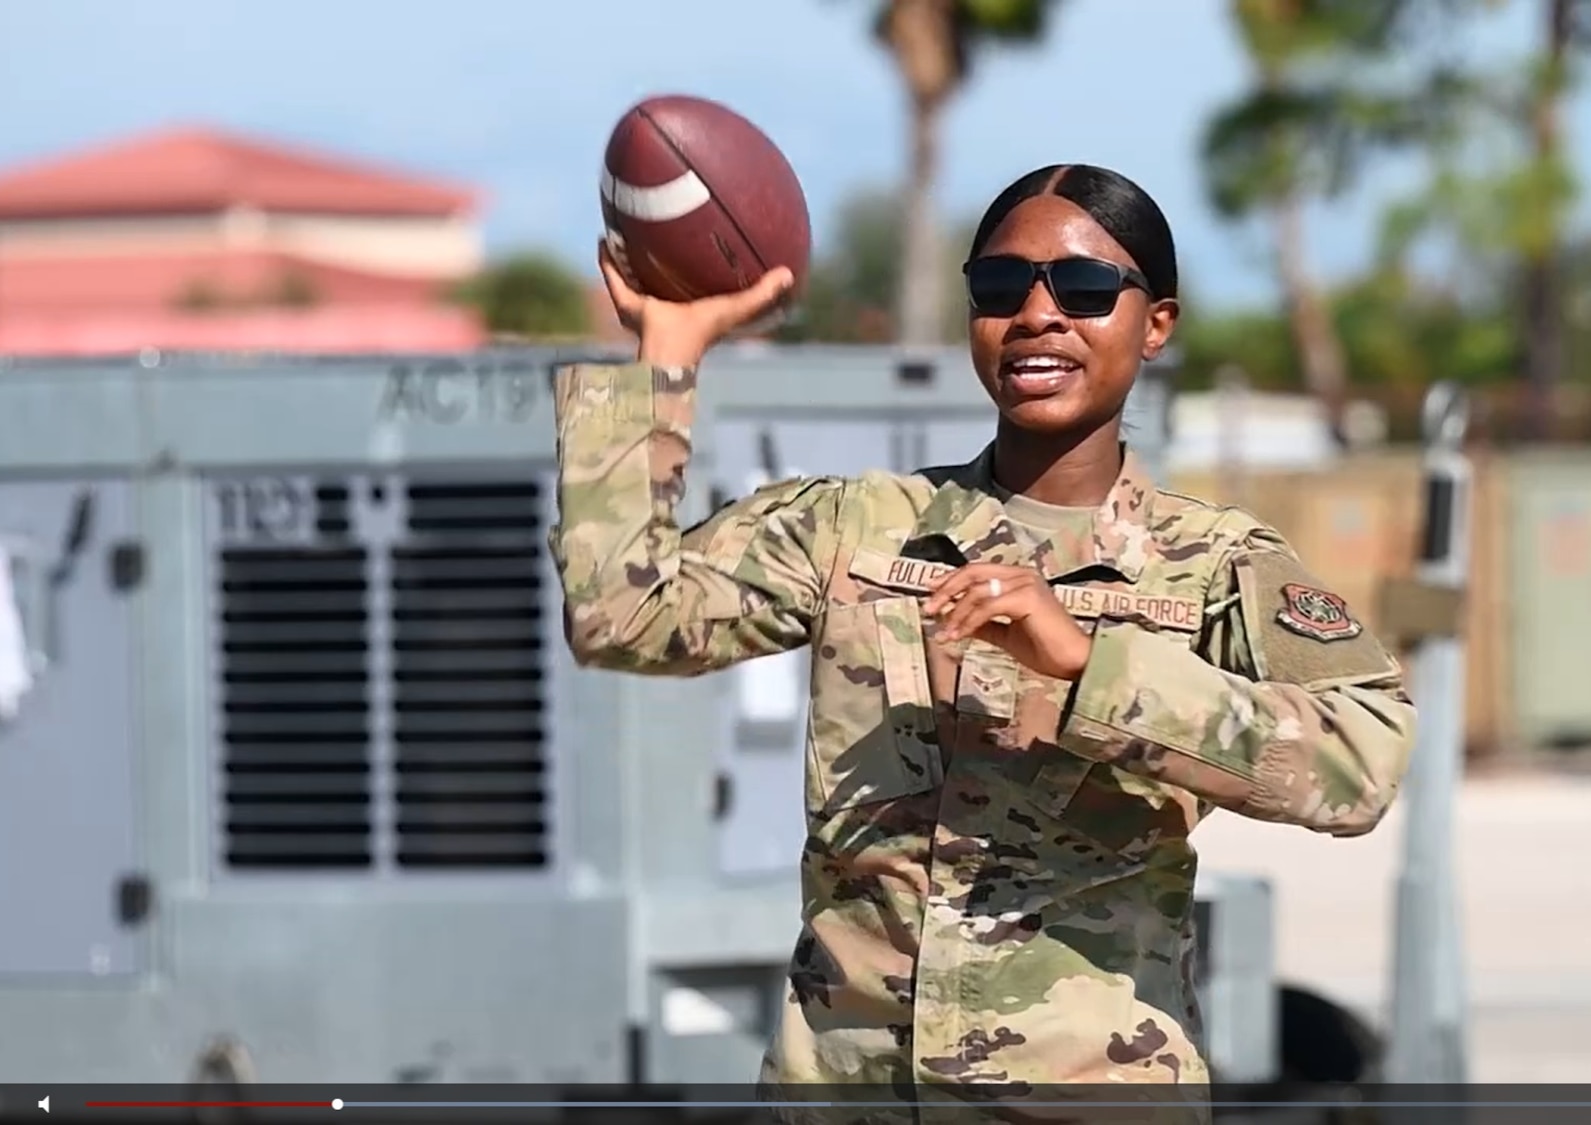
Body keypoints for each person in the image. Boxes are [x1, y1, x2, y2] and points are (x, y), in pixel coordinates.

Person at [551, 164, 1416, 1106]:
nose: (1038, 313)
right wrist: (662, 363)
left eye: (1085, 289)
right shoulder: (859, 528)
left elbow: (1361, 763)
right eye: (1001, 287)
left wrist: (1089, 666)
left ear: (1156, 323)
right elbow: (623, 618)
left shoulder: (1211, 565)